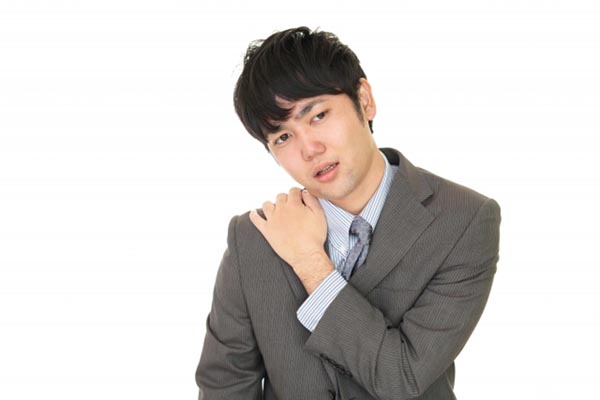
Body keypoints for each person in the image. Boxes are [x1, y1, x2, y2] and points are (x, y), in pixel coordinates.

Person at [196, 26, 501, 400]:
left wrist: (309, 261)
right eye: (283, 137)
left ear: (365, 100)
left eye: (318, 115)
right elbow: (225, 385)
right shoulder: (254, 237)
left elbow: (402, 377)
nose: (309, 148)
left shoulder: (464, 220)